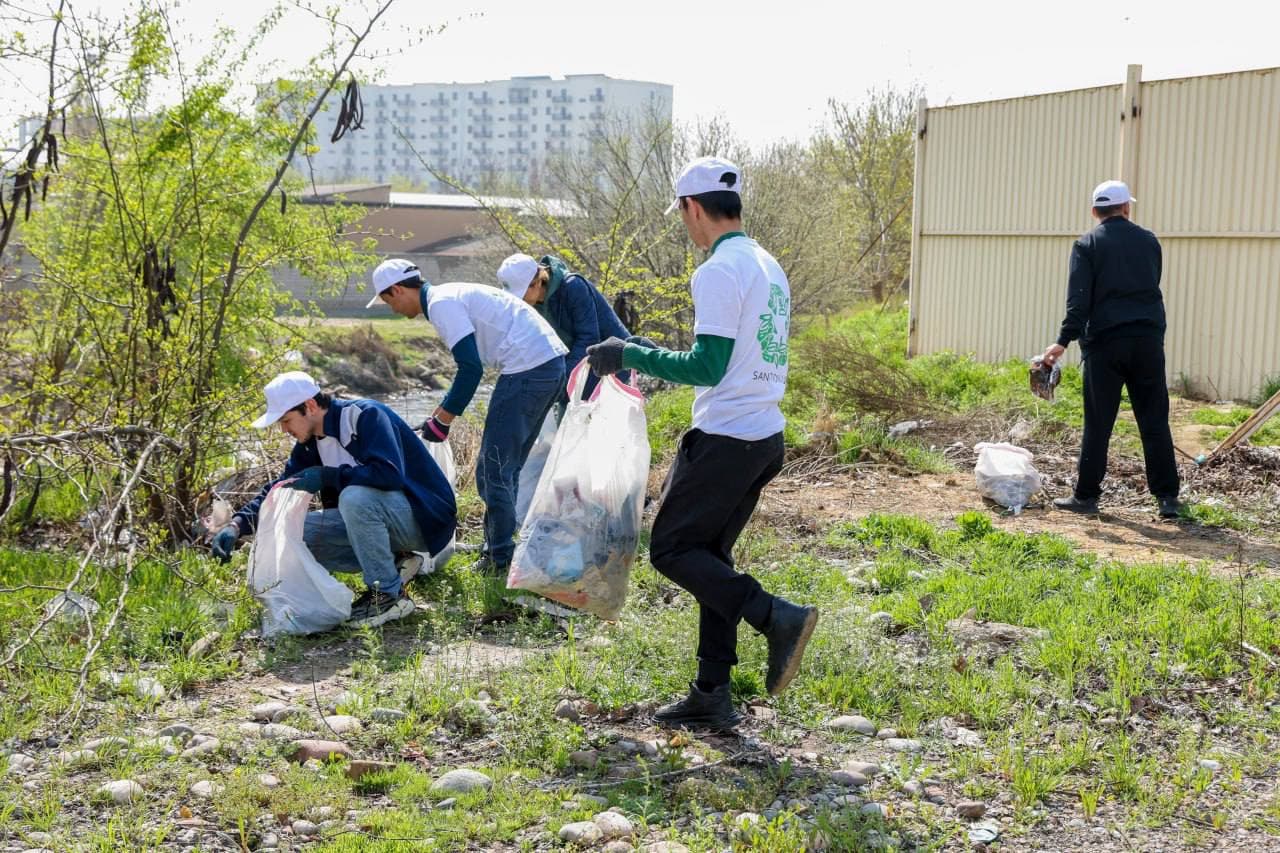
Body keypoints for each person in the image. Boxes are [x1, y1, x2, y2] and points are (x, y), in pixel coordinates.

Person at [586, 156, 818, 731]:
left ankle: (775, 617)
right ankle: (712, 691)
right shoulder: (767, 264)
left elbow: (708, 366)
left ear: (692, 207)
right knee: (711, 560)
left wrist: (631, 353)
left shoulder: (717, 270)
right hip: (762, 436)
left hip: (725, 438)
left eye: (682, 214)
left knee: (672, 550)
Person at [209, 371, 457, 628]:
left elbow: (389, 475)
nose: (284, 430)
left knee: (354, 498)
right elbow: (278, 488)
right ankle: (397, 561)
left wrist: (328, 476)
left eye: (286, 420)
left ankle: (387, 595)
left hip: (425, 519)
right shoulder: (310, 445)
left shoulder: (366, 416)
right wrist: (236, 525)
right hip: (387, 521)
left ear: (310, 406)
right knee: (294, 532)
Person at [367, 259, 568, 575]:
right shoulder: (448, 295)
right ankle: (499, 548)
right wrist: (440, 412)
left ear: (397, 289)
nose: (391, 309)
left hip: (529, 368)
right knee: (506, 467)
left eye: (388, 300)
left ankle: (499, 558)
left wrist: (443, 420)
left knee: (493, 470)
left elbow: (471, 368)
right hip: (548, 363)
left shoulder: (441, 304)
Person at [1039, 179, 1182, 519]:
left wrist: (1062, 341)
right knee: (1154, 420)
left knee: (1099, 422)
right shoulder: (1149, 241)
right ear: (1126, 208)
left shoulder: (1086, 245)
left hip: (1105, 345)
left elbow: (1079, 301)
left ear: (1094, 211)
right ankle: (1167, 499)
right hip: (1147, 342)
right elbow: (1151, 285)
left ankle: (1086, 497)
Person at [496, 252, 633, 400]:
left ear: (537, 282)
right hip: (578, 363)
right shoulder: (532, 304)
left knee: (580, 408)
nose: (520, 300)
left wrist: (562, 379)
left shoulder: (573, 286)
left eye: (521, 294)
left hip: (612, 360)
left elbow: (588, 338)